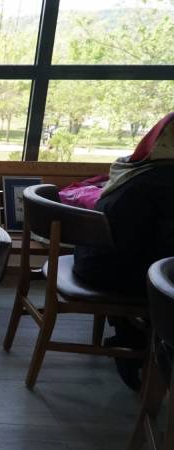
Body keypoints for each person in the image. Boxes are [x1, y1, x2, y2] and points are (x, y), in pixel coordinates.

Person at [74, 112, 174, 390]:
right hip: (108, 273)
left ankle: (130, 335)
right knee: (162, 279)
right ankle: (143, 348)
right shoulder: (165, 182)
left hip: (90, 259)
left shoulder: (135, 168)